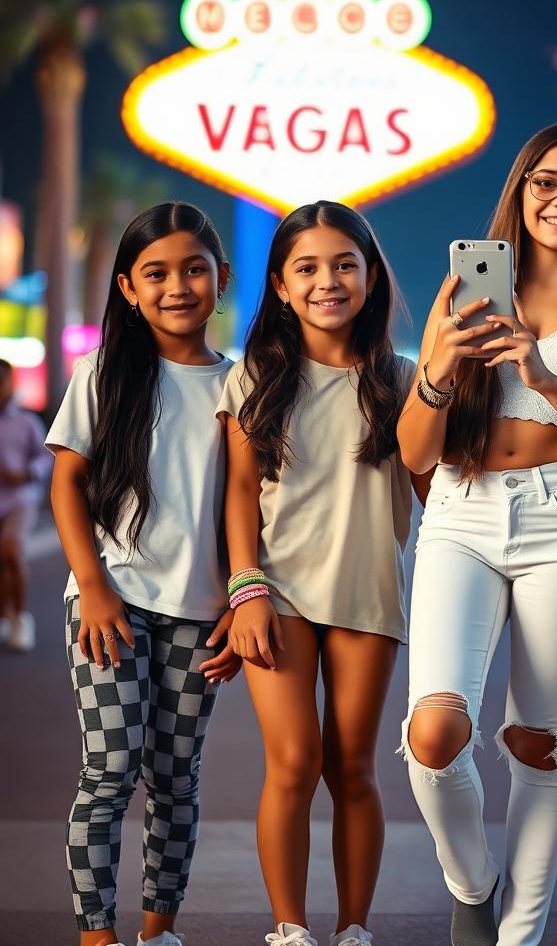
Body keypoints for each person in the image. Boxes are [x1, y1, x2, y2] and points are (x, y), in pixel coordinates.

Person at [396, 121, 557, 946]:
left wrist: (543, 376)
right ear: (520, 188)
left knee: (535, 741)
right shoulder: (462, 292)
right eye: (547, 181)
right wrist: (442, 365)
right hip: (460, 509)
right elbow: (413, 450)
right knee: (433, 735)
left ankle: (518, 934)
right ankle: (471, 881)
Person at [219, 202, 420, 946]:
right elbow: (240, 494)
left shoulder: (402, 379)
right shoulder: (254, 379)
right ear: (278, 284)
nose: (327, 280)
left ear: (370, 279)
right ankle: (290, 927)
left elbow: (437, 483)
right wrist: (246, 589)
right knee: (295, 760)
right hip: (279, 595)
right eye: (306, 267)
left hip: (370, 590)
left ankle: (355, 928)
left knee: (353, 766)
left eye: (344, 264)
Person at [47, 203, 239, 946]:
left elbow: (249, 508)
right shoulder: (104, 373)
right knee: (110, 766)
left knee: (175, 778)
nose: (177, 286)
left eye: (194, 269)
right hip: (111, 603)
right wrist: (92, 585)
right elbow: (67, 484)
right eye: (155, 273)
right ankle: (98, 935)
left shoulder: (240, 384)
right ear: (128, 286)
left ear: (220, 279)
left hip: (201, 613)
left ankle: (158, 932)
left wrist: (240, 599)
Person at [0, 357, 51, 651]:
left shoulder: (26, 421)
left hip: (20, 497)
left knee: (10, 549)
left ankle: (20, 618)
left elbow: (45, 457)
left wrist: (26, 473)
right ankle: (4, 615)